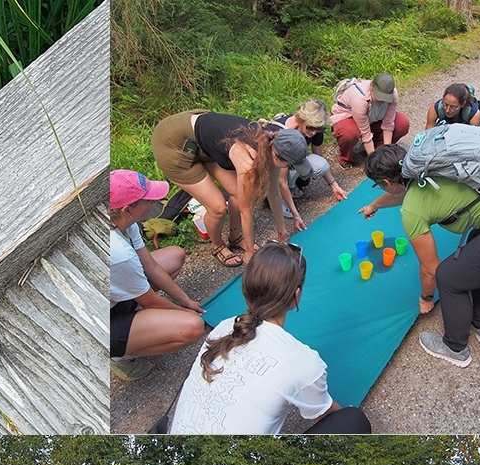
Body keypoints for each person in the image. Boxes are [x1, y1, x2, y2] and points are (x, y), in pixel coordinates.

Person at [360, 142, 480, 367]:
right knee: (478, 246)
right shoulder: (431, 162)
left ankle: (455, 348)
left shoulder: (412, 211)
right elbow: (405, 191)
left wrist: (426, 297)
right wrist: (375, 205)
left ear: (387, 182)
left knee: (447, 275)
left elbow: (430, 269)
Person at [169, 242, 371, 434]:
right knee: (353, 420)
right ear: (296, 294)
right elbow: (324, 414)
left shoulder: (223, 327)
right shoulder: (304, 362)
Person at [147, 110, 284, 264]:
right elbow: (246, 211)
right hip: (172, 146)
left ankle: (235, 236)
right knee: (218, 208)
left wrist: (282, 229)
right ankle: (217, 245)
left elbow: (271, 192)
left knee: (238, 194)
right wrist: (250, 252)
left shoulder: (270, 141)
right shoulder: (245, 156)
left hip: (201, 145)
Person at [107, 169, 204, 383]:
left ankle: (140, 327)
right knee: (193, 326)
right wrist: (188, 313)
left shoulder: (126, 223)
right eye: (148, 200)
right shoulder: (118, 253)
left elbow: (151, 266)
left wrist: (186, 300)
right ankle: (118, 355)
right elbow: (151, 301)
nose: (154, 202)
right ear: (127, 209)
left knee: (175, 255)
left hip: (114, 296)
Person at [331, 73, 408, 168]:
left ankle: (378, 149)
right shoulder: (359, 98)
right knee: (349, 133)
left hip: (373, 117)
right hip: (350, 118)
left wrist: (386, 150)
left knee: (402, 124)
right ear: (371, 87)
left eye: (385, 99)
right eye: (379, 98)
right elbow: (366, 134)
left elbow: (388, 124)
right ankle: (345, 158)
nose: (382, 101)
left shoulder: (393, 94)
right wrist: (374, 162)